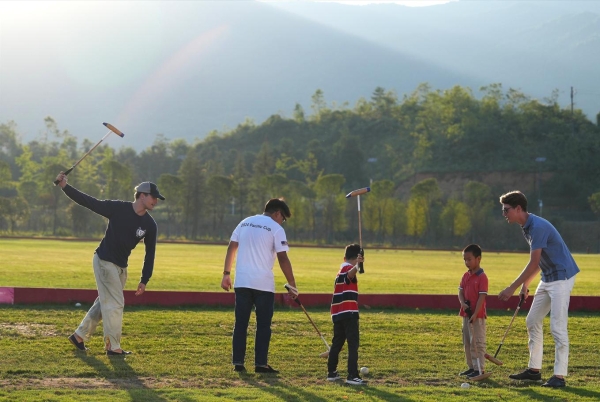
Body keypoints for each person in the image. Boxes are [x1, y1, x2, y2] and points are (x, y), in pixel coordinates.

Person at [56, 172, 165, 356]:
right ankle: (113, 347)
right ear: (142, 195)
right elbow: (89, 202)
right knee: (115, 303)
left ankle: (79, 336)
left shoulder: (150, 225)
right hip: (104, 260)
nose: (156, 201)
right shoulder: (118, 208)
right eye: (153, 197)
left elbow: (150, 254)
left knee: (104, 302)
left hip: (121, 267)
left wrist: (144, 279)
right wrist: (65, 187)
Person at [498, 190, 579, 388]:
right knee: (532, 320)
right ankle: (534, 371)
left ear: (518, 209)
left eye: (506, 210)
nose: (504, 213)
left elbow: (534, 262)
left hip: (562, 277)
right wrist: (526, 285)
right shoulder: (526, 227)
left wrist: (512, 288)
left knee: (557, 328)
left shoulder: (537, 226)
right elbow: (539, 261)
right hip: (548, 276)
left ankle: (559, 377)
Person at [221, 198, 298, 374]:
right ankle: (260, 364)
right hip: (263, 284)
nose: (282, 222)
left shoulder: (244, 222)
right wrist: (292, 284)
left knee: (241, 323)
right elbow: (283, 257)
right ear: (277, 213)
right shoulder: (276, 229)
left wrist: (226, 274)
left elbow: (232, 247)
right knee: (263, 325)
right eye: (283, 218)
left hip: (242, 282)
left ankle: (238, 363)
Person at [327, 243, 366, 386]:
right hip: (349, 313)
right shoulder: (348, 269)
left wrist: (357, 265)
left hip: (337, 314)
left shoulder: (339, 271)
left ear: (344, 257)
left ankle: (332, 373)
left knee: (337, 343)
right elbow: (351, 274)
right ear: (358, 258)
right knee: (353, 344)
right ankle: (352, 375)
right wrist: (357, 266)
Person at [457, 244, 488, 379]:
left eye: (469, 259)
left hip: (477, 316)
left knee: (477, 342)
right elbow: (460, 291)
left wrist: (475, 313)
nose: (466, 262)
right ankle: (471, 367)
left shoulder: (482, 277)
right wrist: (463, 303)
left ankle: (479, 368)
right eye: (465, 260)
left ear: (478, 259)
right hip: (466, 314)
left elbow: (482, 296)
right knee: (468, 342)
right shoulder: (465, 276)